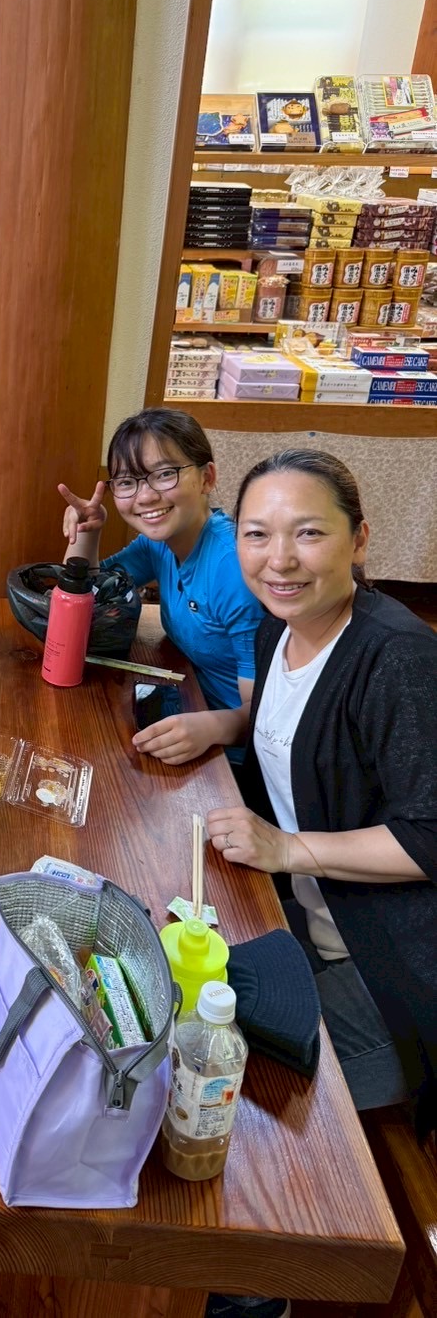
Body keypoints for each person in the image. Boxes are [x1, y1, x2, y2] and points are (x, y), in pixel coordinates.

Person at [205, 448, 437, 1127]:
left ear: (359, 539)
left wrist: (286, 849)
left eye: (308, 532)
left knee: (223, 1087)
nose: (279, 559)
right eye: (257, 533)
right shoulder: (277, 626)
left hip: (396, 968)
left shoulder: (397, 657)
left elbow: (431, 834)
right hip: (313, 918)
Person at [59, 408, 262, 764]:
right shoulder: (159, 545)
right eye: (127, 481)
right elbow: (87, 595)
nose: (146, 496)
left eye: (165, 474)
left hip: (235, 758)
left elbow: (266, 713)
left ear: (207, 478)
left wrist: (211, 728)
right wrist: (88, 532)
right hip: (188, 702)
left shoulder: (234, 569)